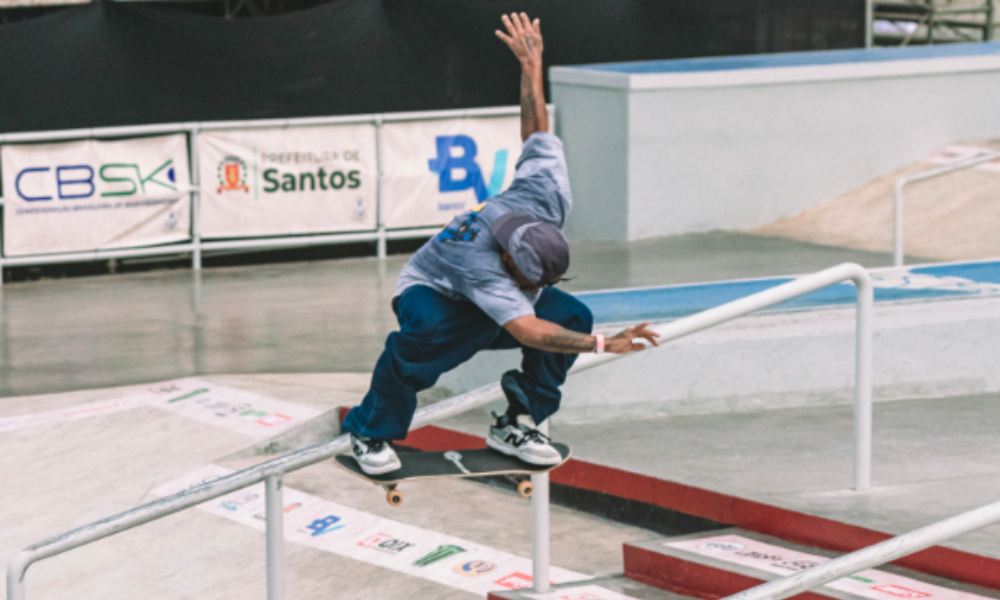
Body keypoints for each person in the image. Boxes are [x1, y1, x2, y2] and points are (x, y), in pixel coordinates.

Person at [340, 12, 660, 475]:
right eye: (520, 279)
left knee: (570, 315)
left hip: (488, 293)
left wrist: (532, 64)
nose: (524, 286)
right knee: (435, 333)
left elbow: (536, 133)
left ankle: (517, 421)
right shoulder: (477, 258)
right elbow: (528, 331)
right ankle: (369, 431)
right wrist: (604, 345)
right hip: (431, 291)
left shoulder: (547, 194)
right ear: (508, 259)